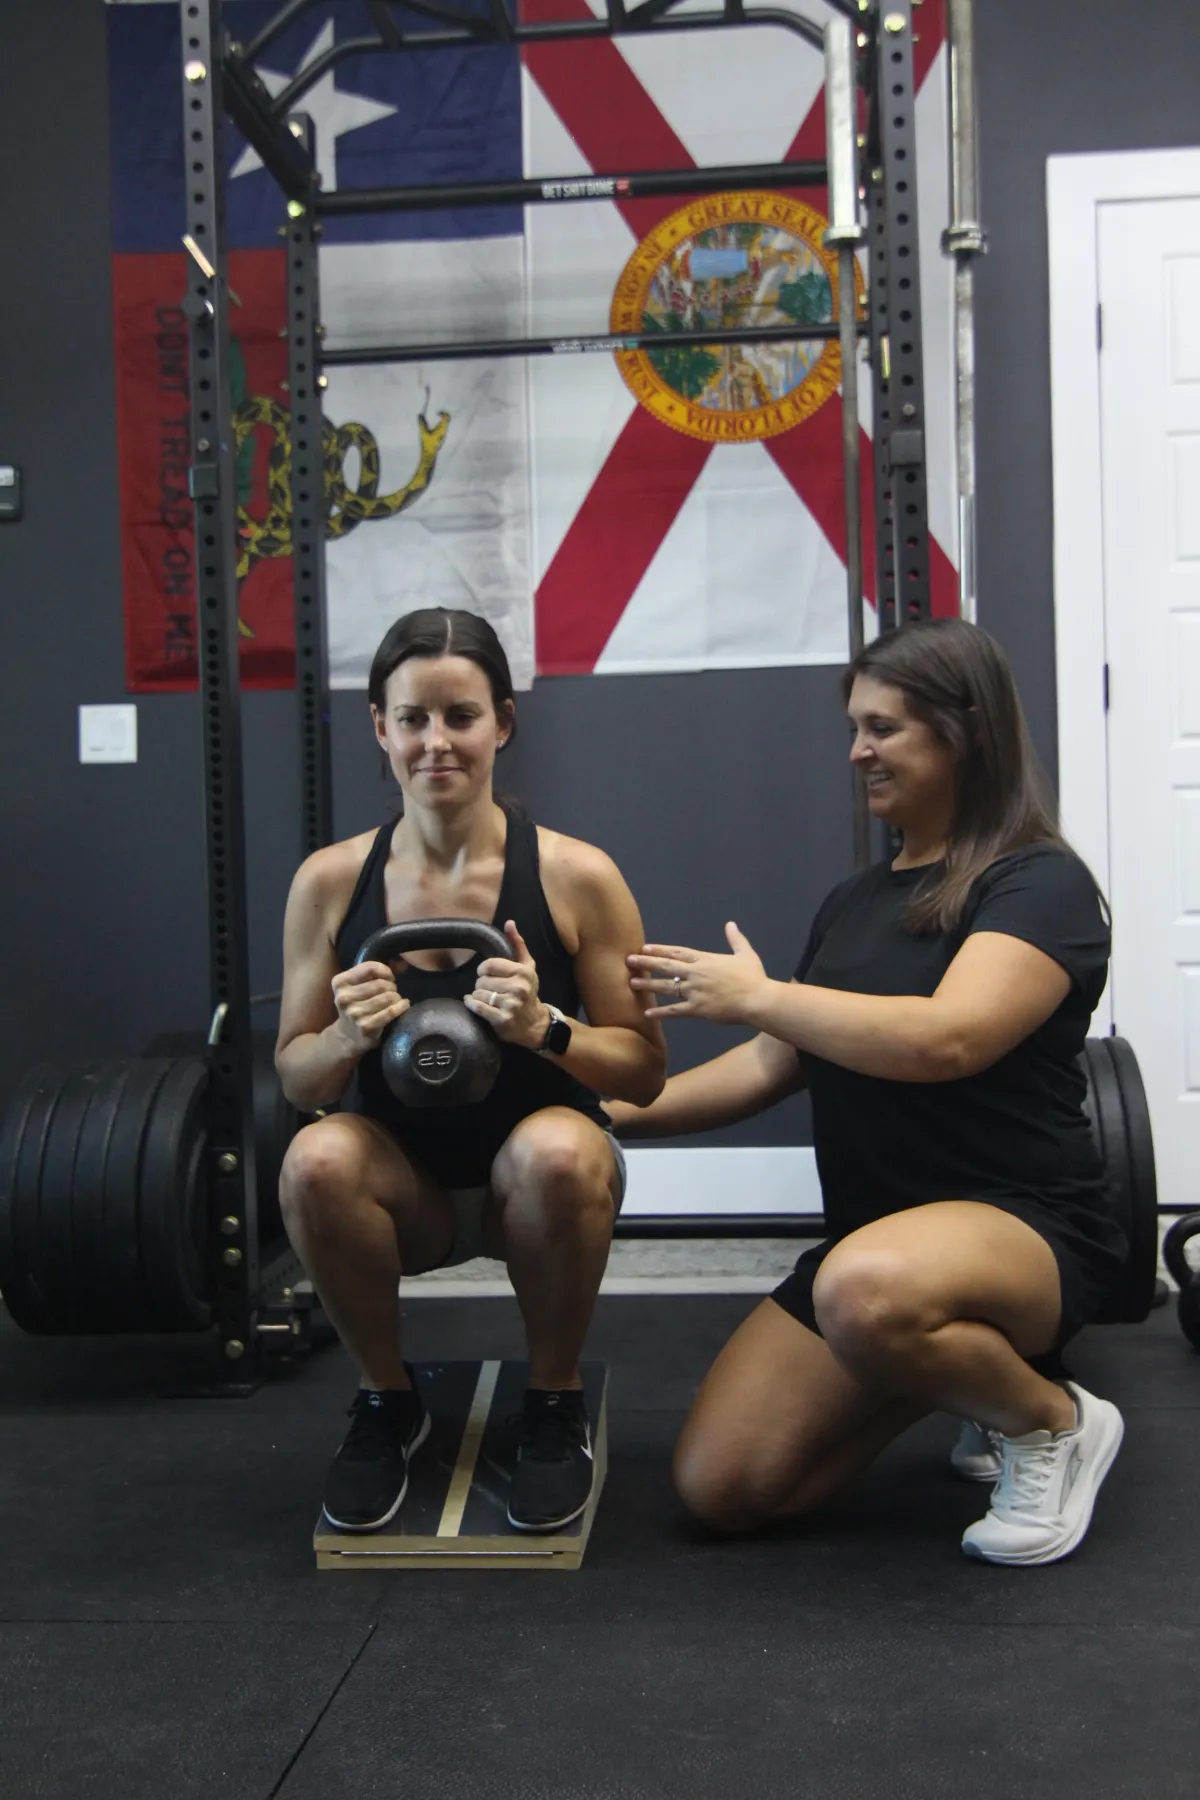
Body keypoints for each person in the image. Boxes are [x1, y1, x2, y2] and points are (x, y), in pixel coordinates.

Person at [609, 618, 1127, 1567]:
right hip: (876, 1253)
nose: (858, 752)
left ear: (962, 733)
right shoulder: (854, 904)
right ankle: (959, 1374)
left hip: (1026, 1227)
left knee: (865, 1287)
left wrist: (765, 995)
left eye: (883, 728)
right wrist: (600, 1114)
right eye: (856, 727)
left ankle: (1048, 1419)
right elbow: (775, 1063)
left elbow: (951, 1039)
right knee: (723, 1489)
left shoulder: (1039, 884)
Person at [275, 608, 665, 1536]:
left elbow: (644, 1071)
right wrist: (344, 1039)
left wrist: (546, 1028)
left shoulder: (578, 877)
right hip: (400, 1193)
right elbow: (297, 1080)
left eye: (460, 716)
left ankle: (553, 1402)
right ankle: (385, 1401)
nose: (435, 742)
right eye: (412, 719)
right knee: (313, 1160)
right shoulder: (330, 882)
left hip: (531, 1188)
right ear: (380, 726)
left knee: (560, 1152)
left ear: (503, 722)